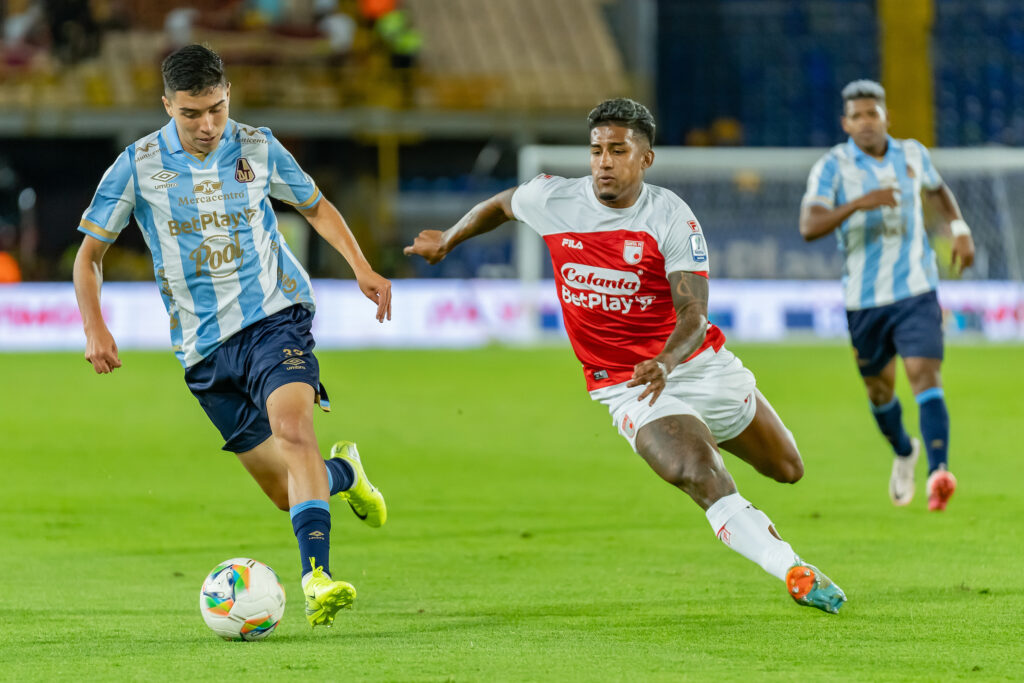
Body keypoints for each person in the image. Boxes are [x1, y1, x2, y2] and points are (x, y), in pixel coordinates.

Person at [405, 98, 847, 614]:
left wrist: (666, 361)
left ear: (645, 158)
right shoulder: (554, 198)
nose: (604, 163)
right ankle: (791, 568)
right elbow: (502, 204)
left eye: (618, 151)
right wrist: (448, 239)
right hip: (626, 383)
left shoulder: (670, 217)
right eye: (596, 151)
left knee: (788, 467)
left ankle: (722, 453)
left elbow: (694, 313)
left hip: (696, 365)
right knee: (699, 473)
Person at [72, 44, 392, 628]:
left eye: (217, 109)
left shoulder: (258, 146)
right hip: (204, 350)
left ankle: (316, 579)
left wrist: (361, 267)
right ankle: (345, 473)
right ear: (167, 105)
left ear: (228, 96)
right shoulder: (137, 165)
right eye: (191, 113)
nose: (208, 125)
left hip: (275, 318)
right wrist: (94, 325)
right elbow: (89, 256)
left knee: (294, 431)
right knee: (285, 491)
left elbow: (316, 207)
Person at [799, 79, 974, 512]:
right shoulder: (832, 167)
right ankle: (904, 451)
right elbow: (809, 226)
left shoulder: (913, 154)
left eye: (872, 114)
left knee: (924, 374)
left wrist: (959, 228)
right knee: (879, 391)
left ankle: (939, 472)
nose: (865, 122)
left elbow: (936, 189)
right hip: (864, 299)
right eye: (856, 116)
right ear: (845, 123)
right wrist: (859, 203)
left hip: (917, 288)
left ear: (886, 117)